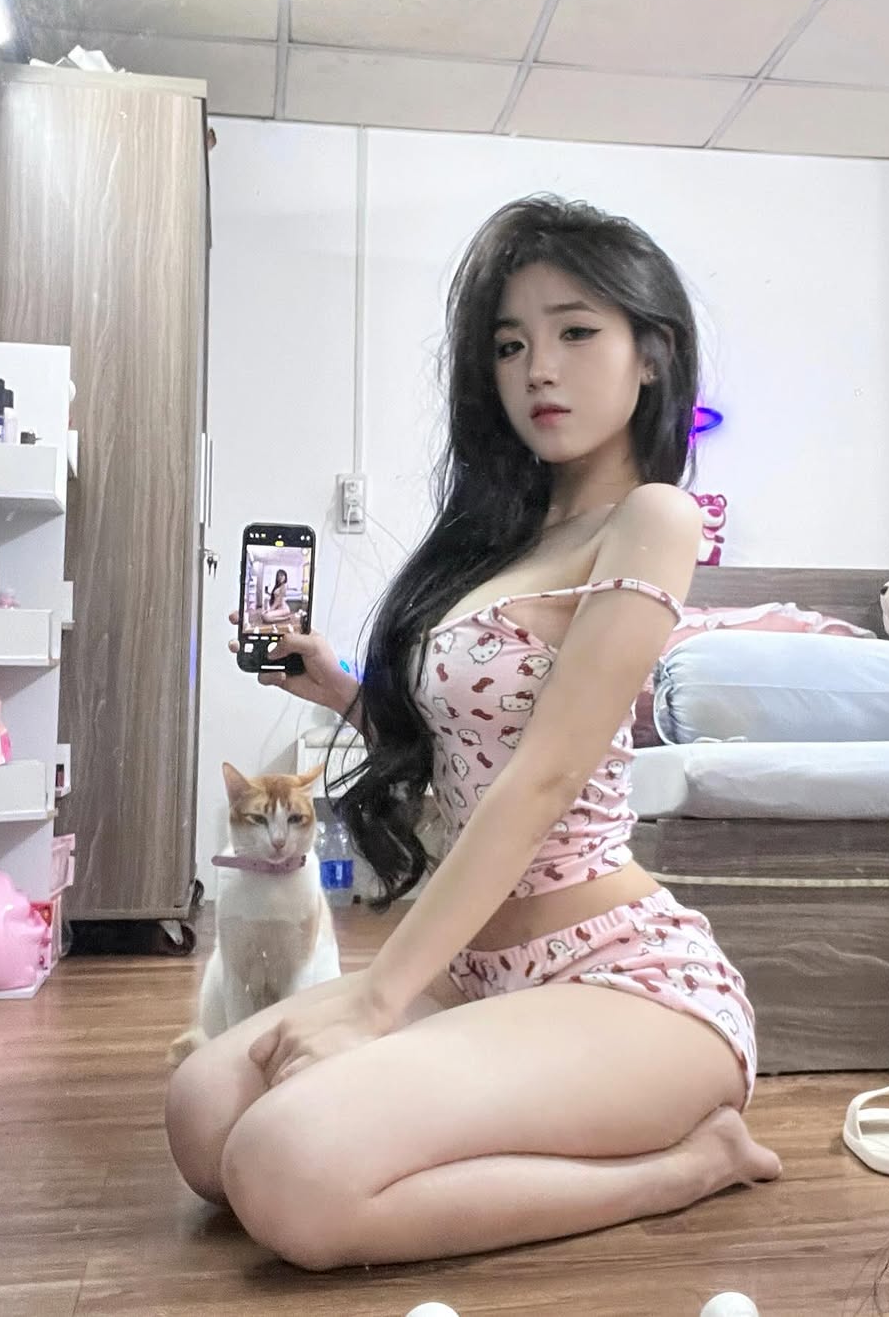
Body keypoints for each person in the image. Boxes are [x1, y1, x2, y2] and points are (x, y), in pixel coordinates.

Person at [165, 194, 781, 1271]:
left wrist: (377, 996)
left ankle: (689, 1163)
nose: (539, 368)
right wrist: (342, 691)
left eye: (576, 330)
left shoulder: (654, 516)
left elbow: (541, 778)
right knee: (202, 1116)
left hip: (619, 977)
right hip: (478, 966)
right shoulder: (502, 541)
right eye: (509, 344)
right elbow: (470, 748)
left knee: (283, 1173)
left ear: (650, 354)